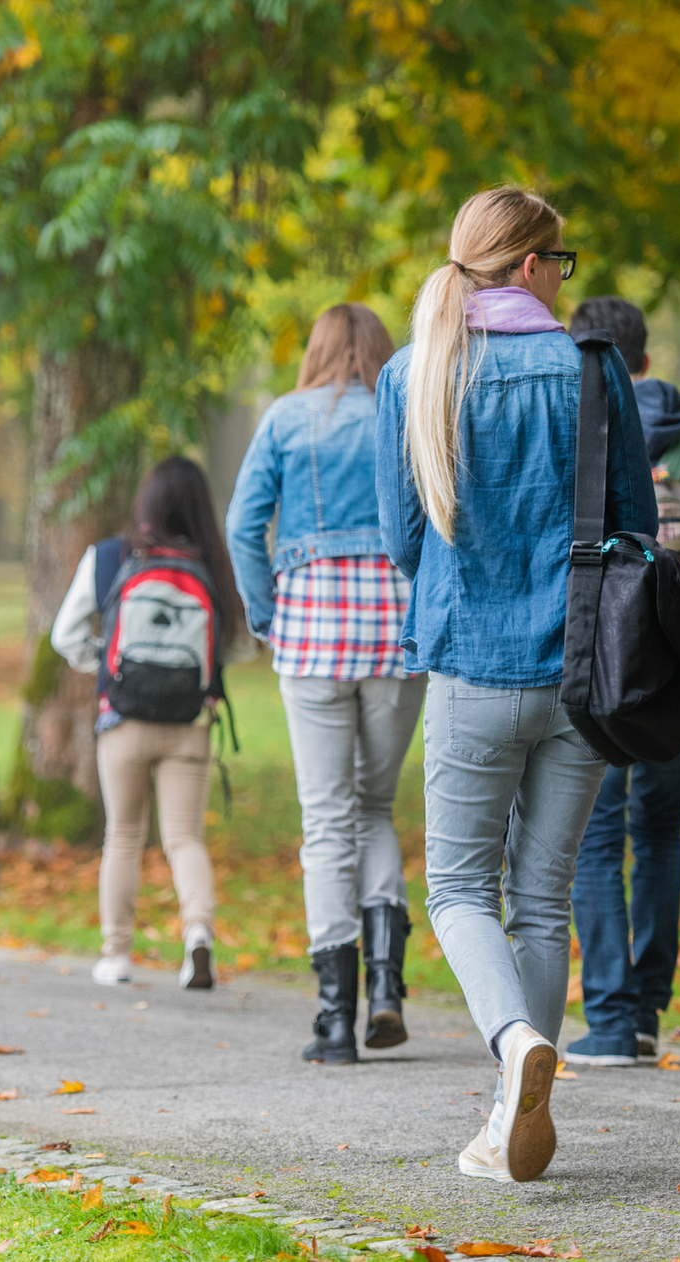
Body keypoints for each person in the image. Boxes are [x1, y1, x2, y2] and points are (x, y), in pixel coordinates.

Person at [374, 186, 654, 1182]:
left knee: (455, 886)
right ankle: (510, 1109)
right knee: (540, 897)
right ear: (532, 266)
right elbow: (634, 527)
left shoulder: (414, 373)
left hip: (469, 667)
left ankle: (510, 1046)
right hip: (582, 674)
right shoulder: (592, 369)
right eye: (561, 261)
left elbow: (403, 539)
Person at [226, 304, 428, 1065]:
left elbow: (244, 526)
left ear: (313, 351)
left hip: (312, 635)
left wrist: (267, 615)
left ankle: (334, 1020)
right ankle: (385, 990)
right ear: (380, 351)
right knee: (373, 805)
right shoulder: (404, 415)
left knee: (326, 818)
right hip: (396, 632)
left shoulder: (285, 418)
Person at [560, 295, 680, 1067]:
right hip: (679, 681)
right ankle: (646, 1013)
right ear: (642, 358)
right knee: (661, 832)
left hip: (599, 673)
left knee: (597, 835)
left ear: (587, 358)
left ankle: (608, 1021)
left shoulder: (581, 425)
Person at [51, 456, 244, 992]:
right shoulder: (213, 563)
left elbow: (63, 636)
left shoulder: (109, 556)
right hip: (190, 722)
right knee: (184, 838)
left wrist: (107, 666)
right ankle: (198, 936)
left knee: (124, 836)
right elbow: (241, 646)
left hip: (124, 721)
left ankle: (116, 955)